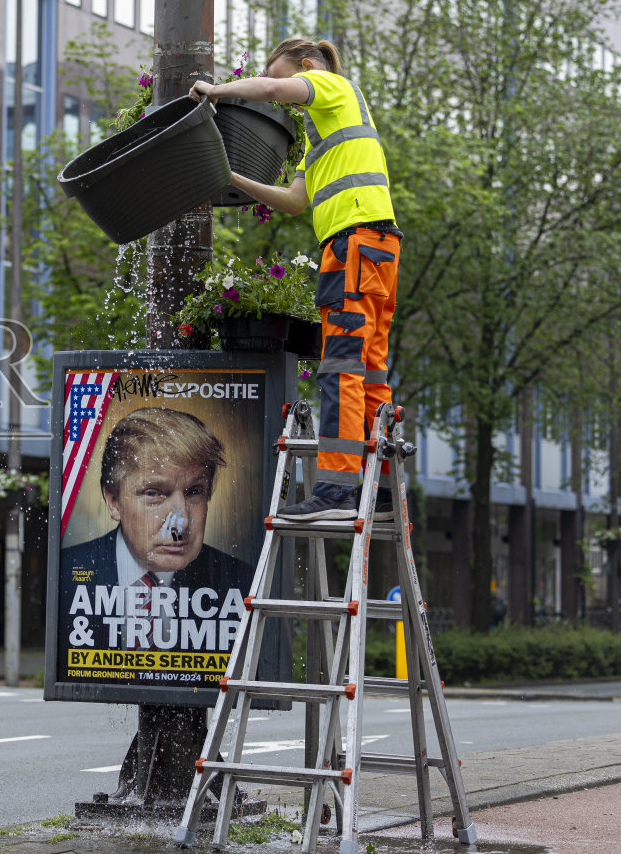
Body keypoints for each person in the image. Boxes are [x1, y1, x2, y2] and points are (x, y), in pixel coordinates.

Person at [190, 37, 401, 522]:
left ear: (305, 68)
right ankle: (380, 492)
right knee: (369, 370)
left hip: (353, 242)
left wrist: (216, 91)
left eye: (284, 74)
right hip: (376, 246)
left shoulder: (330, 86)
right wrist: (233, 177)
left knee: (341, 366)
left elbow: (266, 88)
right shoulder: (327, 133)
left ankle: (336, 489)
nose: (280, 84)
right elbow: (292, 199)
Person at [61, 407, 251, 623]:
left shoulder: (244, 582)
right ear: (113, 502)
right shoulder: (64, 573)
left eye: (195, 492)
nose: (181, 524)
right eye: (153, 493)